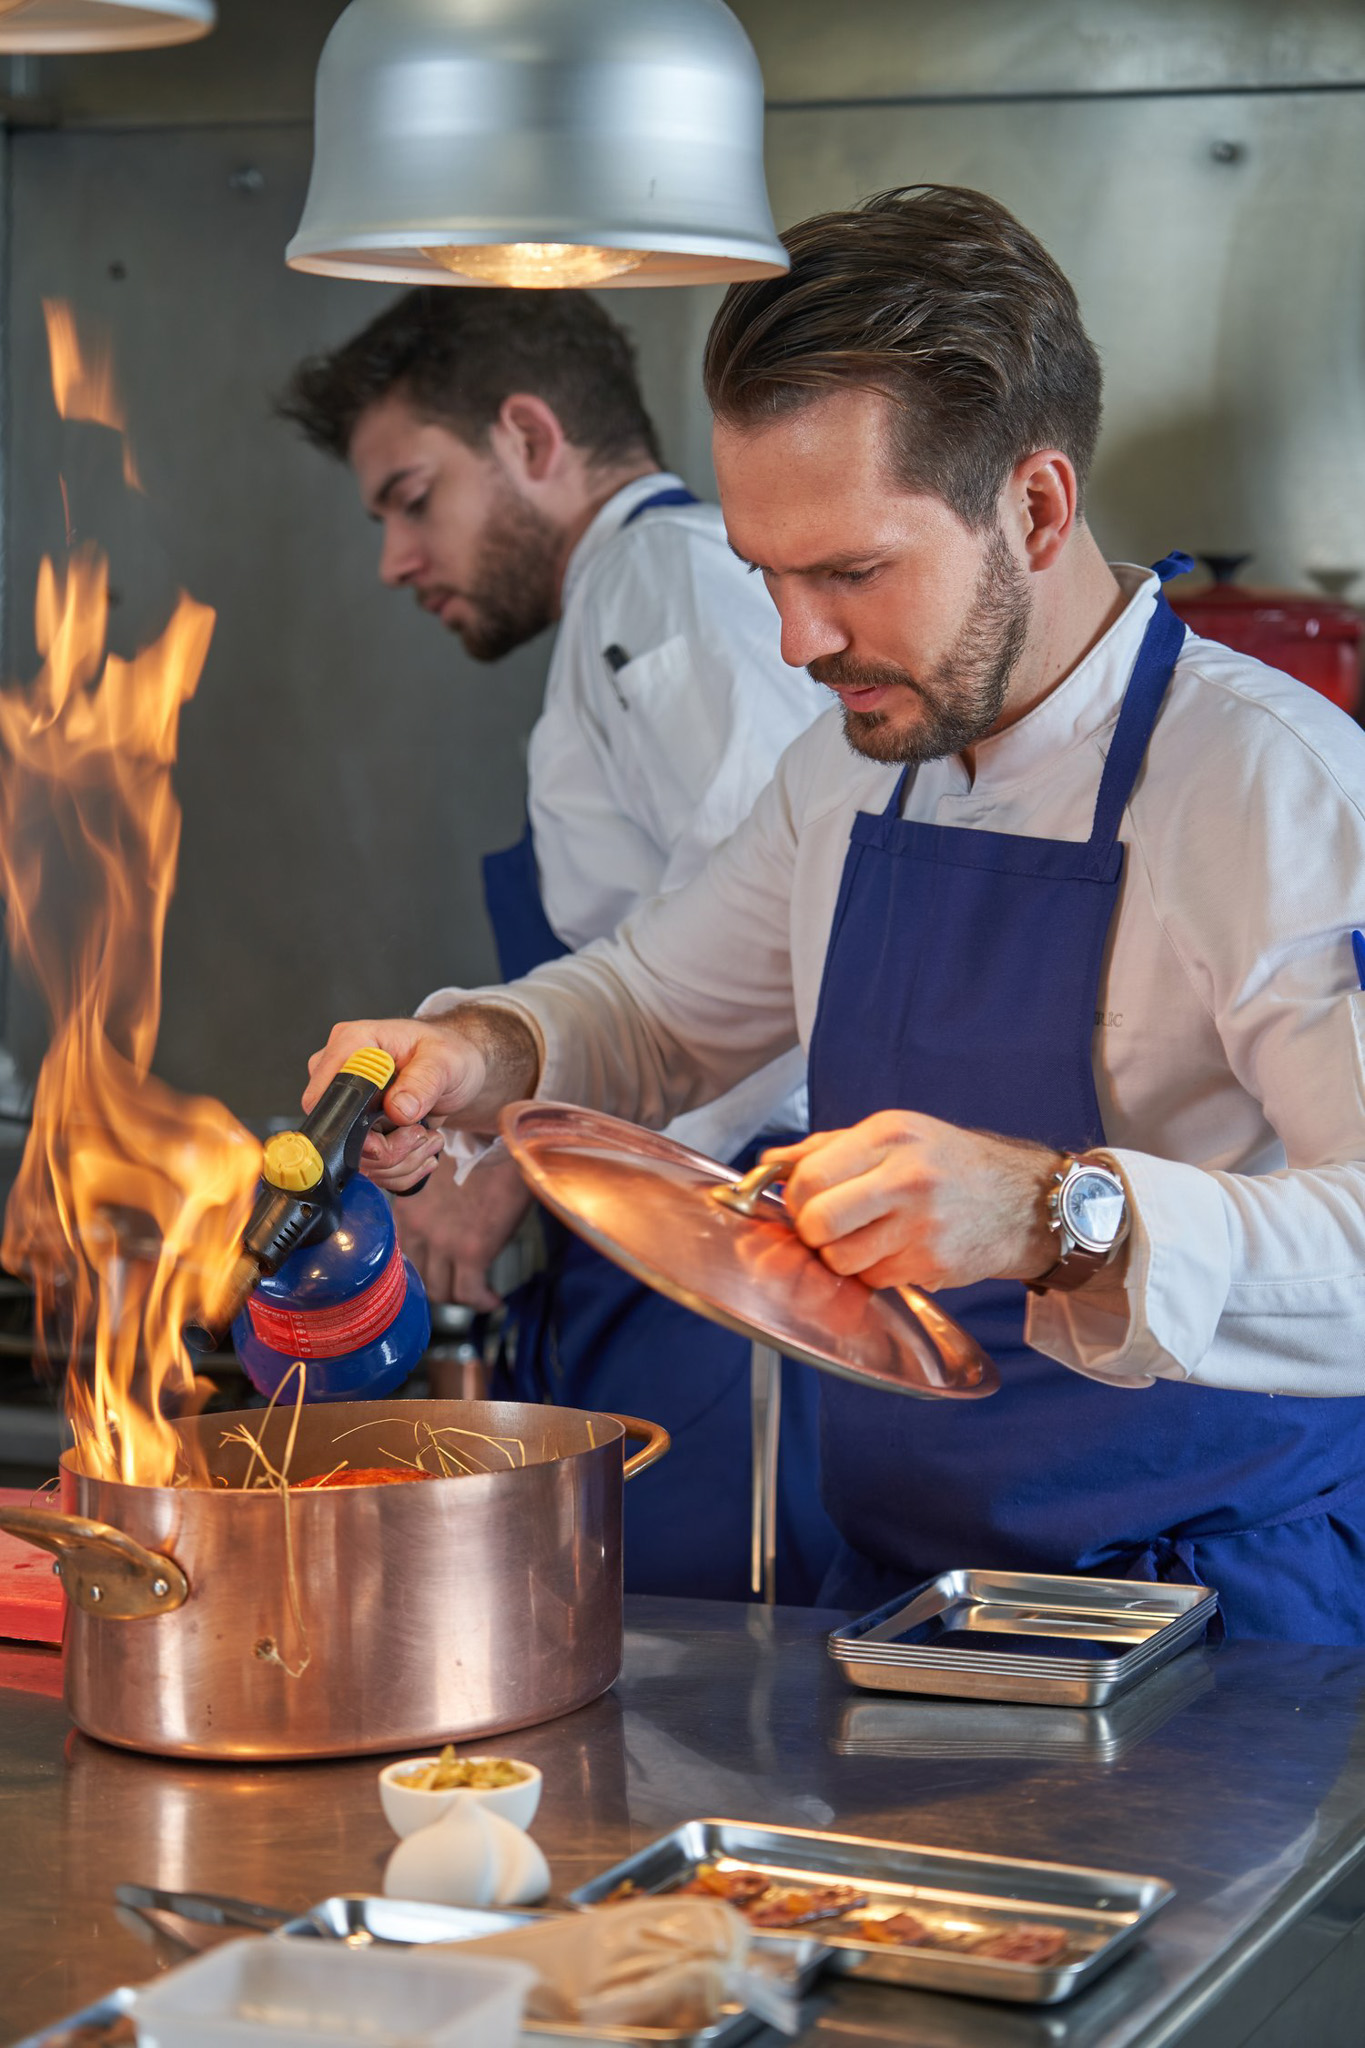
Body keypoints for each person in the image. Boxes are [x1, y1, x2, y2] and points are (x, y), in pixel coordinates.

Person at [303, 186, 1365, 1644]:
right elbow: (656, 1012)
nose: (800, 641)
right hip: (904, 1611)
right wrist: (480, 1051)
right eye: (768, 576)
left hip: (1210, 1622)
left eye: (851, 572)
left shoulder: (1273, 785)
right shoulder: (853, 769)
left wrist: (1056, 1215)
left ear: (1035, 509)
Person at [280, 288, 835, 1602]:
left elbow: (778, 943)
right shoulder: (622, 610)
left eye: (413, 499)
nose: (396, 559)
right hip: (656, 1258)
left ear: (530, 438)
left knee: (694, 1666)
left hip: (724, 1257)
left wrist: (519, 1161)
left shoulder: (664, 583)